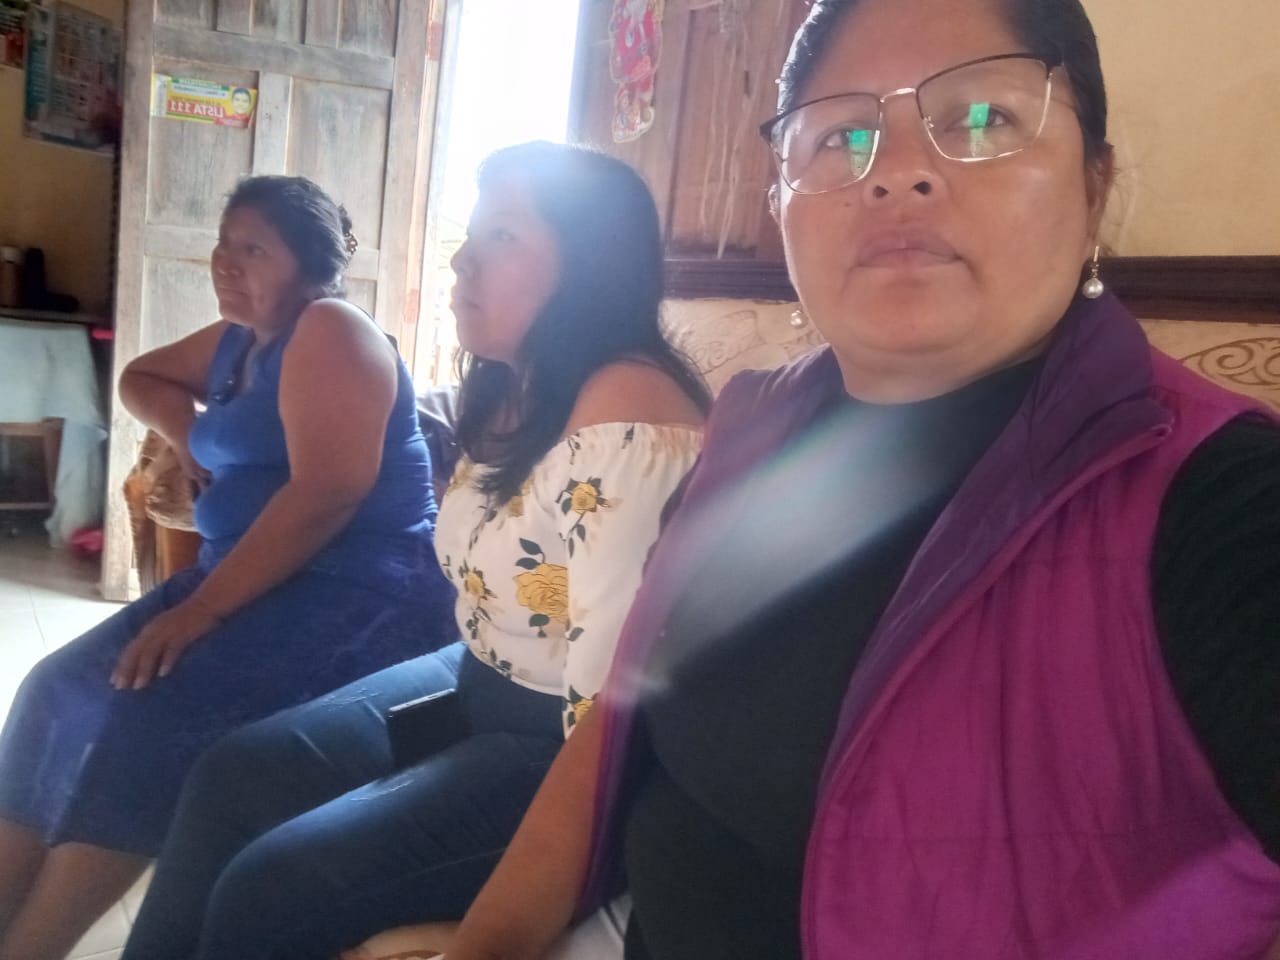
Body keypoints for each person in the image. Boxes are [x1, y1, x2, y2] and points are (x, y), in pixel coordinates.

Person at [444, 0, 1280, 958]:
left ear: (1095, 187)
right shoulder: (750, 427)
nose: (898, 172)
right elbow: (626, 710)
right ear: (781, 203)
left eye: (982, 117)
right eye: (841, 134)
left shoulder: (1214, 498)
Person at [120, 141, 709, 960]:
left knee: (273, 887)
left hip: (560, 745)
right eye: (472, 233)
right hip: (475, 671)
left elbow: (610, 722)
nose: (463, 259)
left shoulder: (629, 421)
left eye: (503, 236)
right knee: (235, 775)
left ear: (590, 264)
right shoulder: (517, 385)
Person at [0, 175, 457, 960]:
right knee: (56, 688)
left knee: (148, 720)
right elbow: (141, 377)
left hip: (358, 594)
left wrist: (201, 611)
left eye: (254, 249)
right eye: (223, 243)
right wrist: (187, 434)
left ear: (309, 267)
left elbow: (328, 494)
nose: (225, 262)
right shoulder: (239, 338)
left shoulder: (332, 331)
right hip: (247, 572)